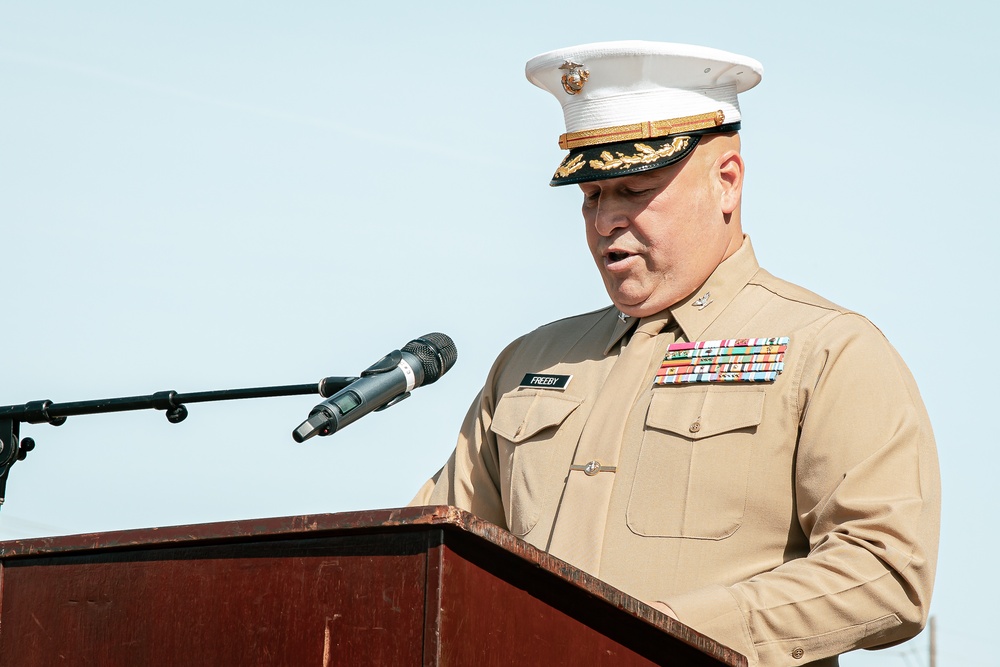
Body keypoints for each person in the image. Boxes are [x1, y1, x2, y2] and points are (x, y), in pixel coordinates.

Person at [411, 41, 939, 667]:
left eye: (634, 189)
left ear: (727, 182)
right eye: (590, 196)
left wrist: (659, 636)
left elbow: (885, 570)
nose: (606, 220)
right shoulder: (530, 363)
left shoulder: (829, 351)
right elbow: (433, 561)